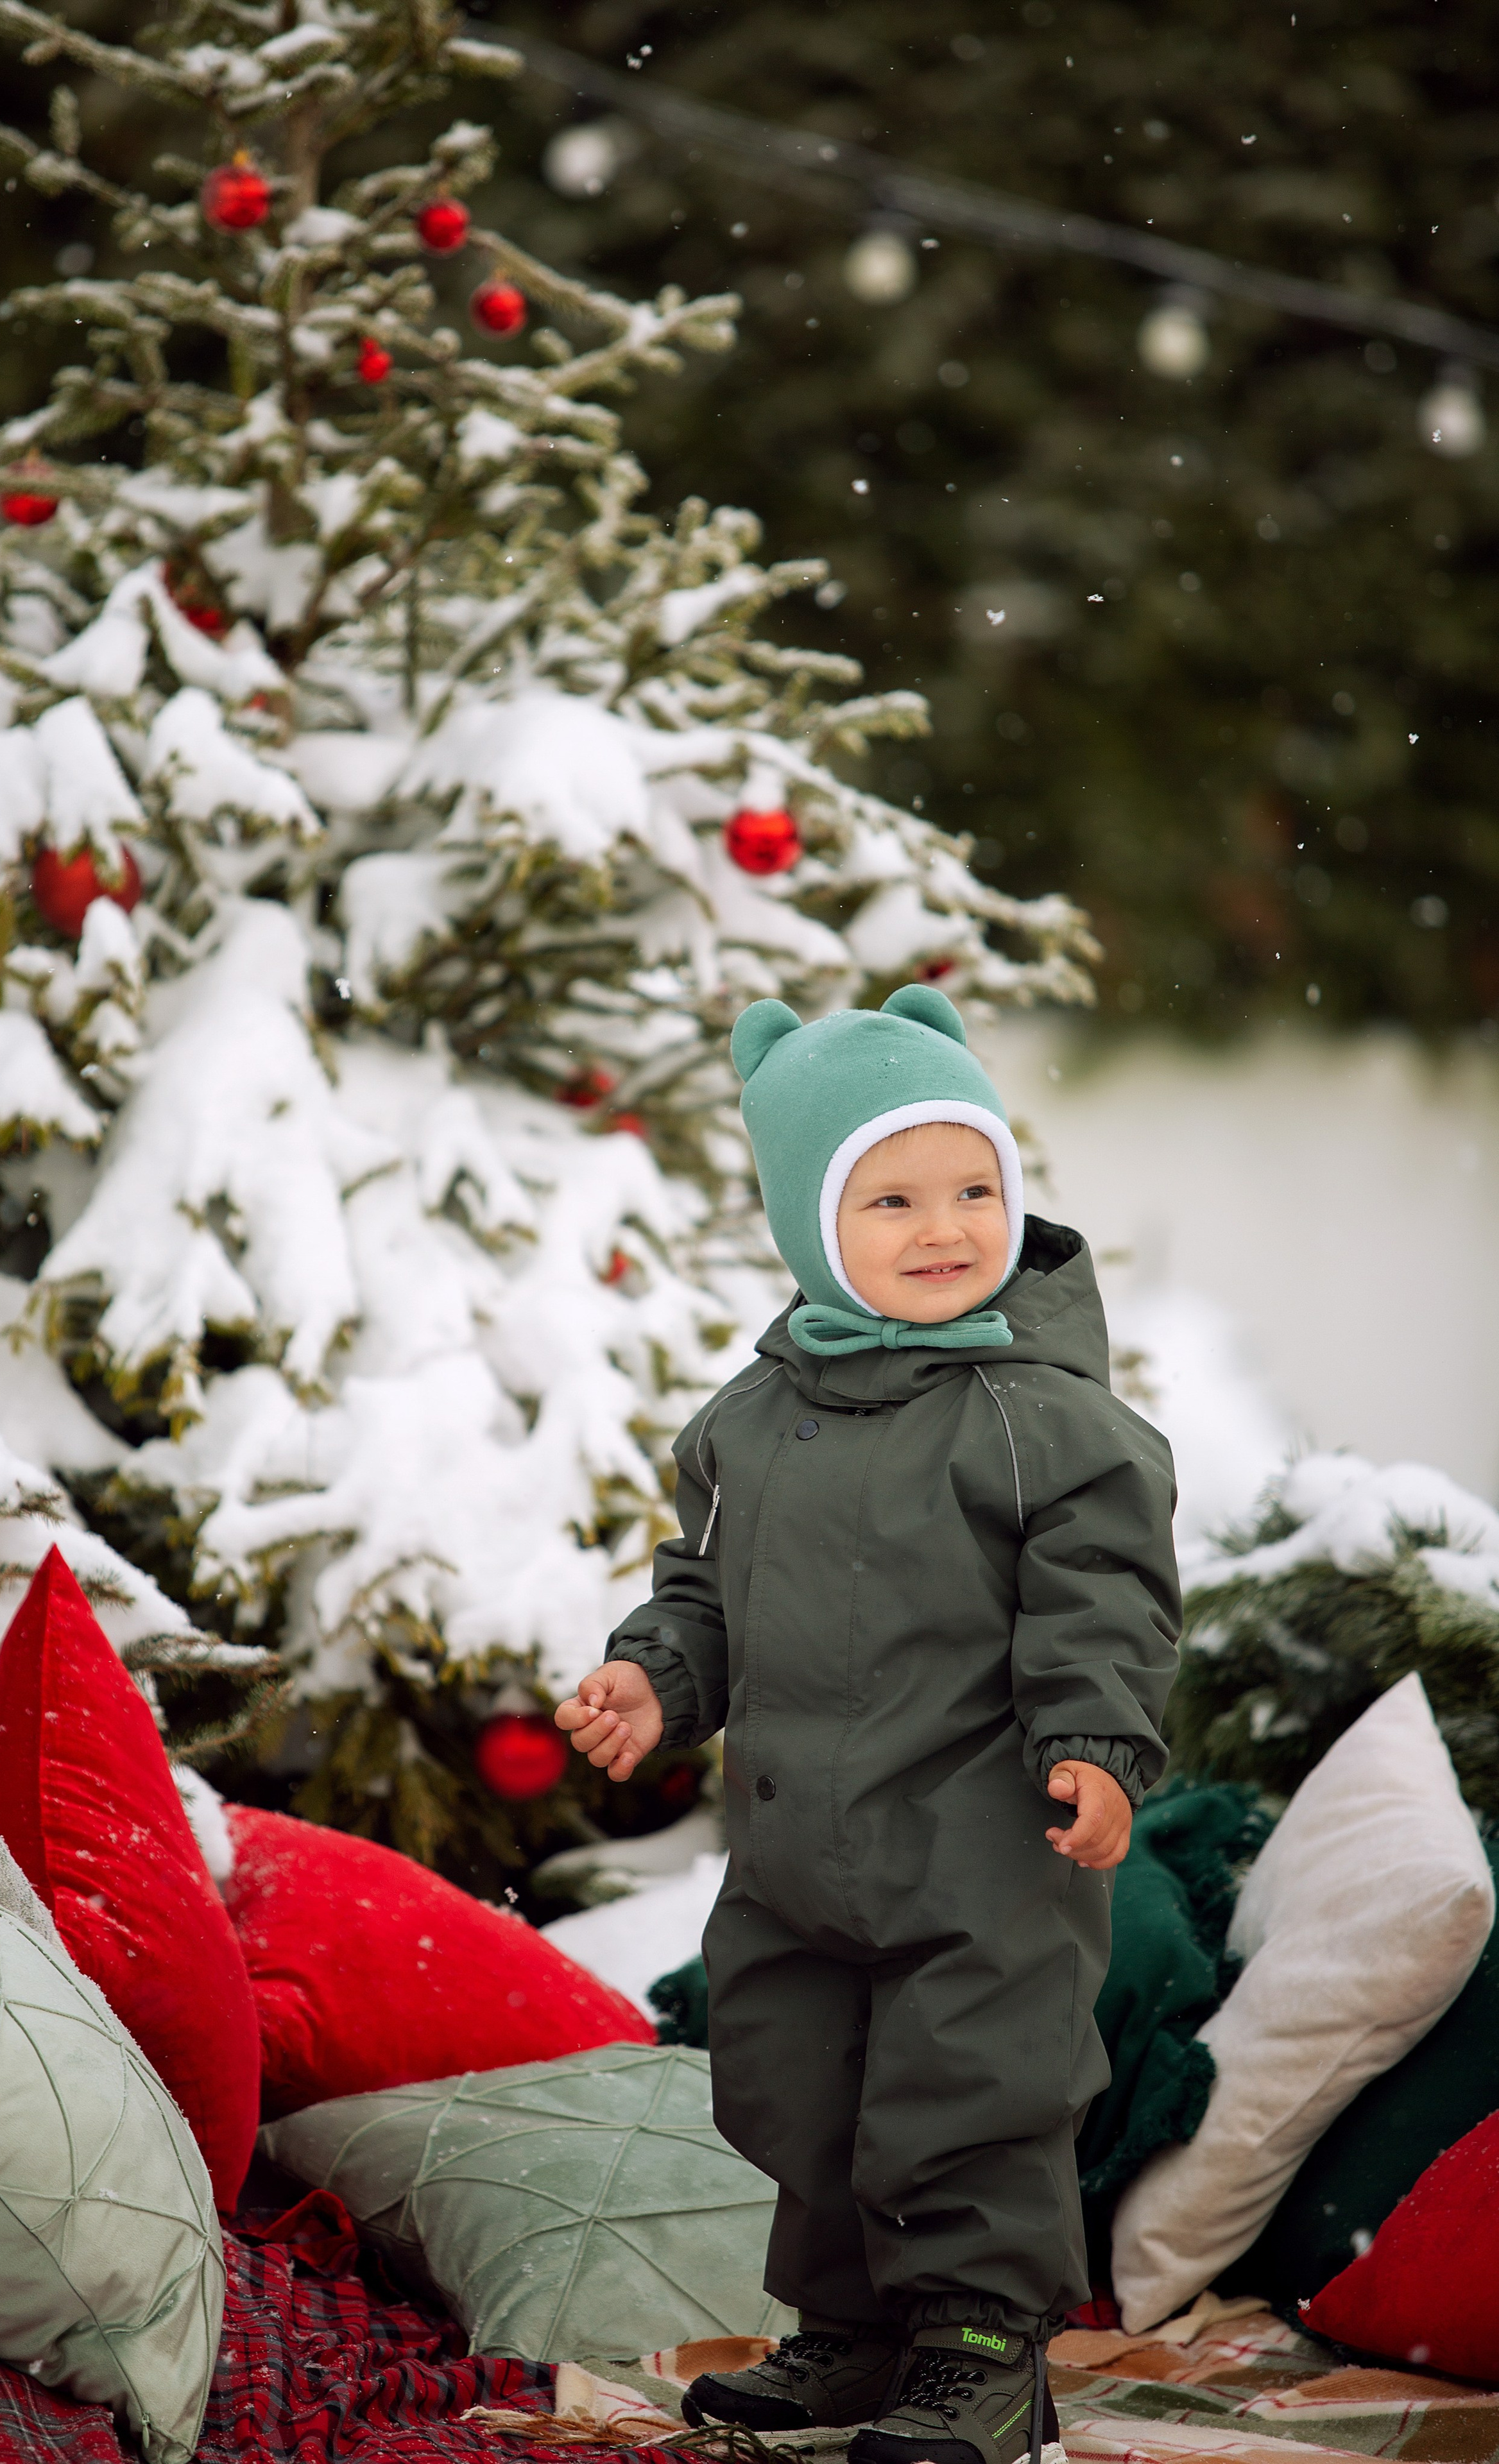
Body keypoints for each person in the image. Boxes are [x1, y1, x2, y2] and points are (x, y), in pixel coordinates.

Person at [556, 985, 1181, 2464]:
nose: (942, 1225)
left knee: (968, 2087)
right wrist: (656, 1674)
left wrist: (1093, 1741)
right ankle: (852, 2333)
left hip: (983, 1841)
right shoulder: (748, 1421)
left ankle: (977, 2347)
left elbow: (1103, 1599)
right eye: (888, 1197)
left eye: (973, 1187)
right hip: (793, 1850)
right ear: (804, 1220)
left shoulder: (1040, 1419)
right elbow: (706, 1589)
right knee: (799, 2081)